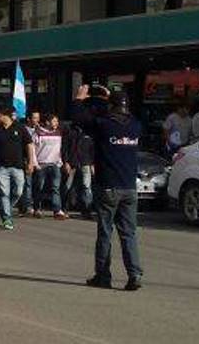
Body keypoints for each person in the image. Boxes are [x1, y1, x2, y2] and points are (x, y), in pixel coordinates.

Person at [72, 85, 143, 291]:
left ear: (110, 107)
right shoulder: (135, 126)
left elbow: (80, 118)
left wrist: (79, 99)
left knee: (105, 233)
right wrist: (110, 98)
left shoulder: (104, 125)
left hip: (108, 186)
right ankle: (134, 274)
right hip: (130, 187)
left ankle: (103, 276)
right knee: (129, 233)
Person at [0, 104, 35, 231]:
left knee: (18, 191)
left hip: (18, 166)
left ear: (6, 115)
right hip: (1, 167)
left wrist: (31, 162)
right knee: (4, 193)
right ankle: (7, 217)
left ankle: (6, 208)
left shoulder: (20, 128)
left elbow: (29, 145)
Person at [31, 114, 68, 219]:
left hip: (55, 163)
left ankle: (57, 210)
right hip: (41, 163)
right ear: (47, 122)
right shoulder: (38, 133)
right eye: (54, 121)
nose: (56, 123)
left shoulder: (59, 132)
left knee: (55, 187)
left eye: (57, 121)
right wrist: (35, 163)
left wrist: (60, 161)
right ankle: (37, 208)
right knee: (40, 187)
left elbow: (59, 148)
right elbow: (32, 148)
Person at [64, 120, 96, 218]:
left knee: (86, 187)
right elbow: (65, 148)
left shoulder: (89, 135)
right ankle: (64, 209)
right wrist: (66, 162)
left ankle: (87, 210)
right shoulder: (70, 134)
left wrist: (92, 164)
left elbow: (92, 150)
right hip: (72, 162)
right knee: (67, 186)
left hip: (85, 163)